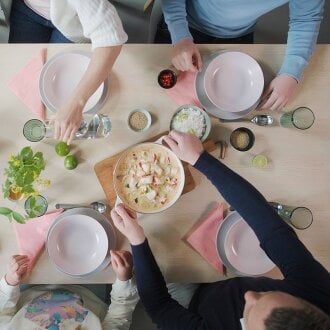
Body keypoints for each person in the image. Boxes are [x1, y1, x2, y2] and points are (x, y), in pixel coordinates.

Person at [111, 131, 330, 330]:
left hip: (194, 308)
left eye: (250, 311)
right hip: (215, 290)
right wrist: (201, 160)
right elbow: (269, 225)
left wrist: (137, 240)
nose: (250, 295)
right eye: (268, 293)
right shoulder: (321, 296)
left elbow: (159, 306)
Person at [155, 0, 325, 111]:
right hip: (184, 24)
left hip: (239, 34)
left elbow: (305, 19)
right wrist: (180, 36)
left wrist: (291, 73)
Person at [0, 0, 128, 144]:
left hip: (72, 18)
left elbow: (111, 37)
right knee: (19, 75)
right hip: (25, 9)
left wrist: (76, 103)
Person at [0, 250, 139, 329]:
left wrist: (10, 281)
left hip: (29, 289)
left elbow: (2, 313)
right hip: (89, 290)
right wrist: (124, 278)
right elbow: (119, 317)